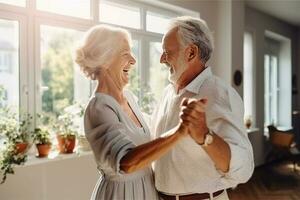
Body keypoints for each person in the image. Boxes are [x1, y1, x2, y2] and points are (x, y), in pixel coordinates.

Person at [75, 25, 190, 200]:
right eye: (125, 54)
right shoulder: (99, 107)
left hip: (146, 190)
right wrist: (181, 131)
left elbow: (153, 131)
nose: (133, 60)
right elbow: (126, 162)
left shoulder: (129, 98)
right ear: (105, 60)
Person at [151, 16, 254, 200]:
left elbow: (244, 168)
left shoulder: (219, 94)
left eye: (167, 52)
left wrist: (205, 136)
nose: (161, 59)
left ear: (191, 53)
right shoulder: (168, 93)